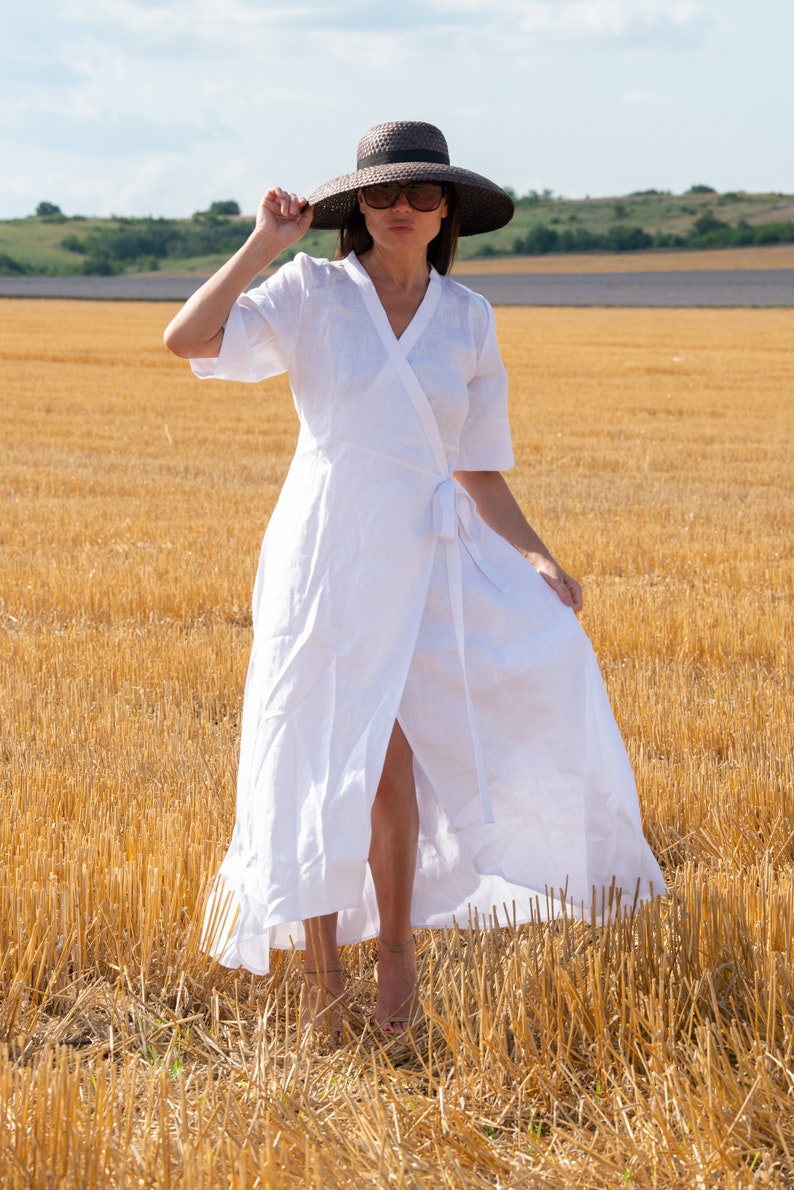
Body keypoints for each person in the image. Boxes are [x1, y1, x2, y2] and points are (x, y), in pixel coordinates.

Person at [164, 120, 665, 1038]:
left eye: (420, 194)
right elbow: (187, 338)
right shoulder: (311, 290)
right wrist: (265, 243)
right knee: (327, 762)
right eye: (383, 193)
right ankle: (323, 987)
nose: (401, 208)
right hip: (325, 552)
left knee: (394, 767)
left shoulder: (468, 318)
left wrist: (537, 553)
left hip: (431, 558)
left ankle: (397, 962)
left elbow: (478, 466)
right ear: (357, 205)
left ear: (447, 212)